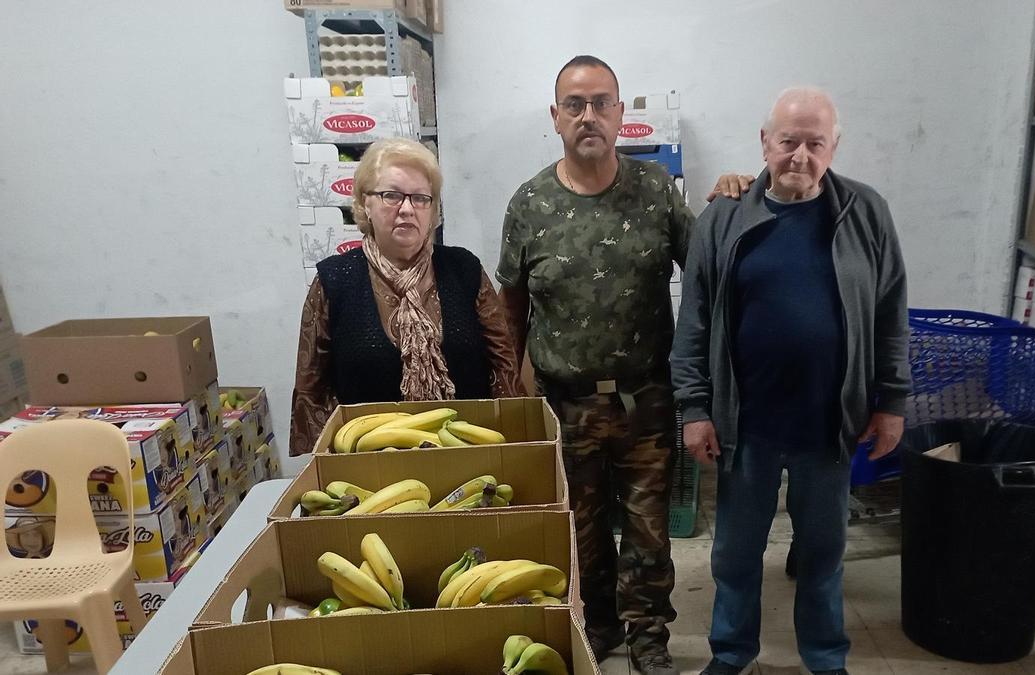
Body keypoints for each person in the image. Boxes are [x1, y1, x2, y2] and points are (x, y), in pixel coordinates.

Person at [671, 87, 911, 675]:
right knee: (735, 555)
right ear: (764, 143)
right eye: (787, 142)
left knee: (825, 555)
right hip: (744, 424)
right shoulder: (724, 216)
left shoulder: (866, 212)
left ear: (834, 147)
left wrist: (893, 402)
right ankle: (731, 654)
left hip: (829, 424)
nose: (799, 155)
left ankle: (826, 659)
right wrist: (694, 408)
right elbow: (694, 319)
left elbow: (890, 313)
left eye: (814, 143)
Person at [496, 55, 693, 675]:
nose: (589, 116)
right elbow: (509, 307)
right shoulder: (529, 203)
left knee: (647, 531)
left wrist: (740, 192)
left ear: (619, 114)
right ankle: (597, 626)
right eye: (575, 105)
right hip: (564, 400)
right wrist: (514, 390)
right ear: (555, 118)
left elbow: (710, 276)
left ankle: (649, 637)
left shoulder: (658, 192)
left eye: (601, 102)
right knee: (579, 530)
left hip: (645, 397)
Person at [290, 138, 523, 455]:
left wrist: (512, 447)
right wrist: (327, 462)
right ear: (364, 204)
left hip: (467, 455)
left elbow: (504, 371)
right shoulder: (334, 280)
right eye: (391, 196)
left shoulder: (464, 270)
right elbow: (311, 393)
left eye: (420, 198)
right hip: (368, 468)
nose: (407, 209)